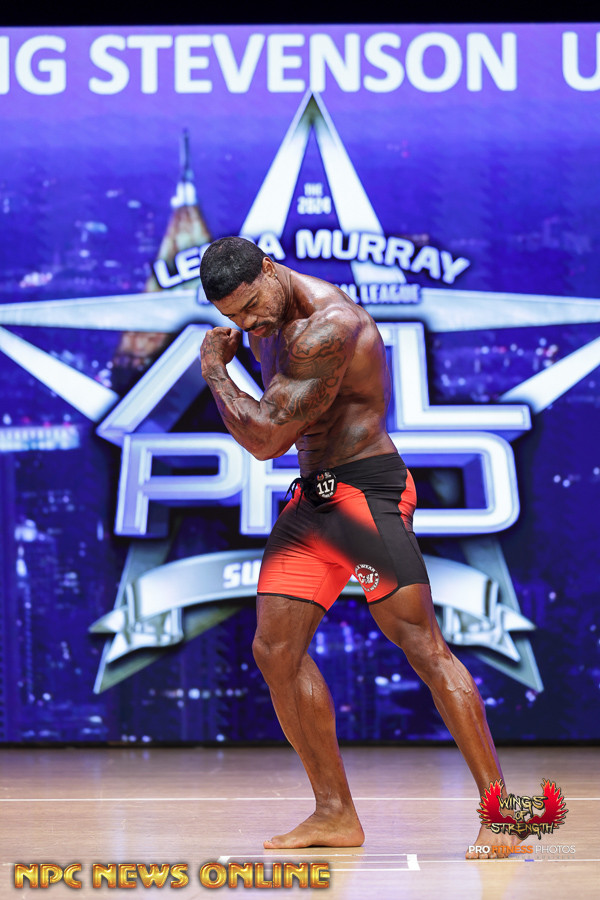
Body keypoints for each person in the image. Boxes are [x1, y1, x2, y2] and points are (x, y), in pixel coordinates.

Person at [200, 236, 513, 859]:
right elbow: (281, 425)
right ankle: (335, 813)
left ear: (270, 268)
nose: (249, 323)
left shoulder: (330, 326)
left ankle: (505, 818)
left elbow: (264, 440)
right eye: (233, 316)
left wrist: (214, 368)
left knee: (423, 647)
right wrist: (241, 348)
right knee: (274, 651)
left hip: (364, 495)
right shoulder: (266, 319)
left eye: (252, 305)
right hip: (312, 503)